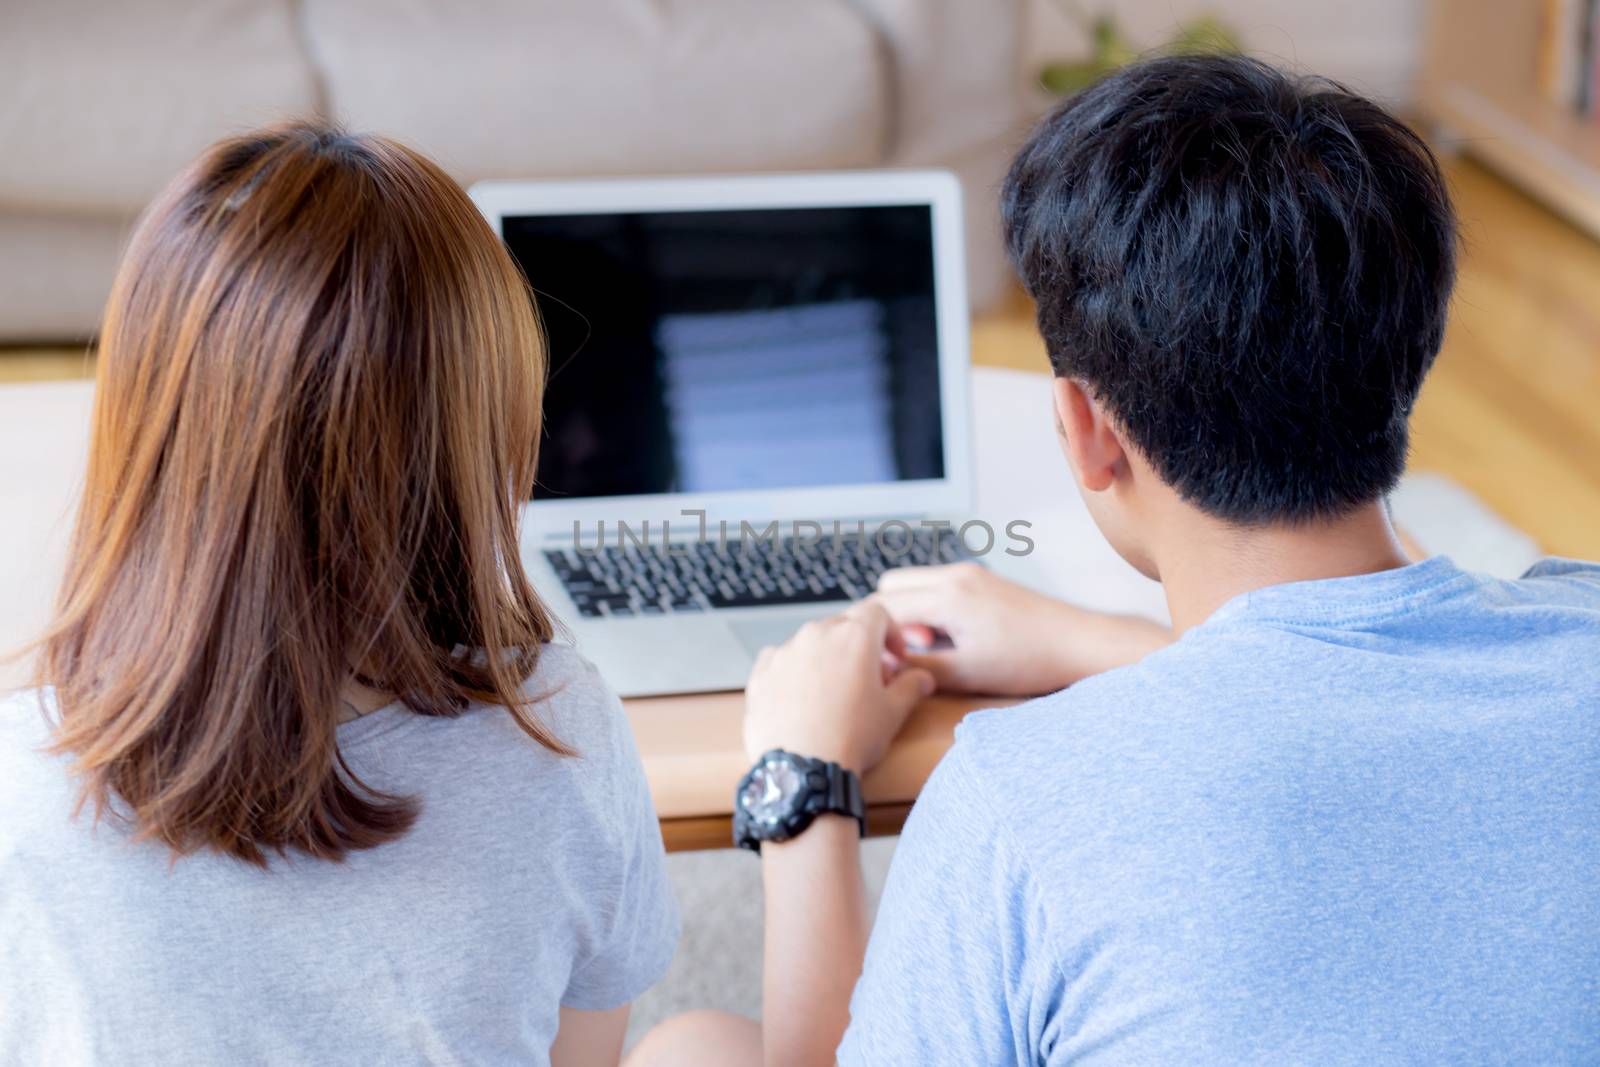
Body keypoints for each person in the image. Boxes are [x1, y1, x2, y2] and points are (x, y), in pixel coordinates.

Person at [629, 54, 1600, 1065]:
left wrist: (804, 784)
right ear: (1413, 354)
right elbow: (1380, 672)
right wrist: (1092, 640)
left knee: (688, 1046)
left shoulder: (1023, 798)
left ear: (1085, 429)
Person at [0, 123, 677, 1065]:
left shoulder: (20, 789)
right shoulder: (558, 731)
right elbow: (583, 1051)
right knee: (703, 1040)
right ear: (482, 441)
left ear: (145, 426)